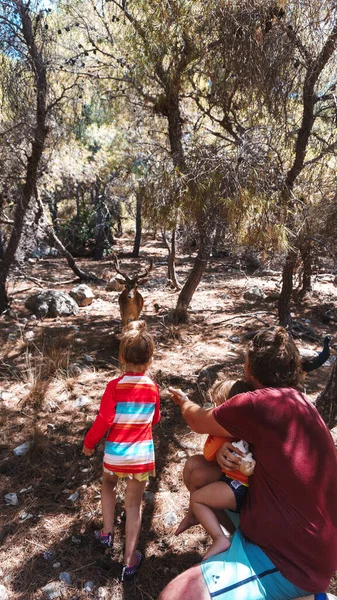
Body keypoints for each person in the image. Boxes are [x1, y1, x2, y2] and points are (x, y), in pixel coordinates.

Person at [159, 327, 337, 600]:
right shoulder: (301, 403)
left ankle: (306, 595)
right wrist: (224, 454)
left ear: (251, 369)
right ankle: (233, 548)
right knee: (197, 469)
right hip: (300, 538)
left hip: (292, 561)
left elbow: (197, 421)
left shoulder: (258, 404)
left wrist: (184, 401)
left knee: (176, 596)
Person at [82, 320, 160, 581]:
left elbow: (104, 420)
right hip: (140, 456)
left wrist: (90, 442)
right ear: (149, 360)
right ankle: (129, 559)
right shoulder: (152, 388)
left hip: (116, 453)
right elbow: (155, 418)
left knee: (108, 483)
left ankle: (106, 533)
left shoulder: (113, 387)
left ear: (122, 357)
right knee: (134, 505)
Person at [189, 379, 255, 559]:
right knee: (198, 482)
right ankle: (231, 536)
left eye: (218, 408)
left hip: (237, 487)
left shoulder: (227, 430)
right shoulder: (245, 426)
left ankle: (220, 538)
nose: (214, 413)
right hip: (238, 484)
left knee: (197, 499)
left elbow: (208, 453)